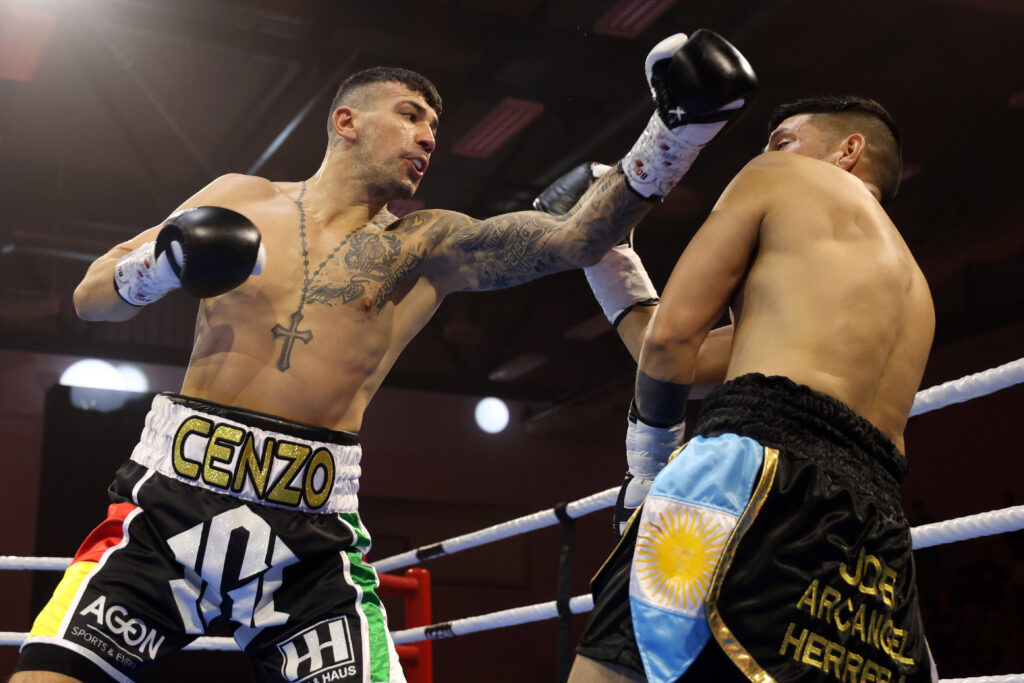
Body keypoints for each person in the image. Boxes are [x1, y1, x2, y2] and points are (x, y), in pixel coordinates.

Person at [12, 30, 757, 683]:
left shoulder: (427, 244)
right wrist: (159, 268)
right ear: (347, 121)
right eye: (411, 116)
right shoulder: (240, 195)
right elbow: (90, 294)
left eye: (435, 126)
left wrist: (677, 133)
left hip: (307, 541)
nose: (429, 136)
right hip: (168, 501)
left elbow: (575, 240)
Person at [568, 95, 939, 682]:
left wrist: (650, 464)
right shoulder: (915, 290)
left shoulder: (777, 175)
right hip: (872, 533)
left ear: (849, 150)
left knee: (613, 670)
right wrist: (607, 261)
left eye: (783, 139)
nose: (766, 152)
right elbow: (666, 350)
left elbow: (667, 347)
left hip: (748, 472)